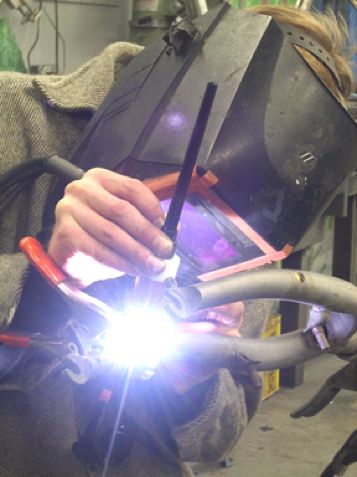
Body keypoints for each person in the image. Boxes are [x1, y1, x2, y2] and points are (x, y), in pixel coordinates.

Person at [0, 4, 353, 477]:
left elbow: (217, 436)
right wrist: (42, 279)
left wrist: (195, 382)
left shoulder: (252, 250)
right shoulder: (15, 118)